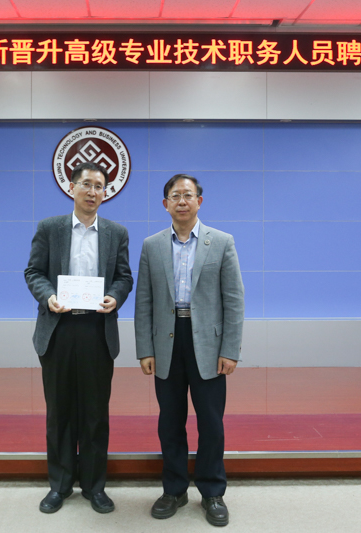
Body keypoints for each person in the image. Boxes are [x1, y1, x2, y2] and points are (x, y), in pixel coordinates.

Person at [134, 174, 244, 527]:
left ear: (199, 201)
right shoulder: (152, 245)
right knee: (170, 421)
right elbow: (144, 301)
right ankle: (174, 489)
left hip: (208, 344)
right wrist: (144, 348)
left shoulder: (221, 242)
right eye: (175, 195)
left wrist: (230, 349)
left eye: (188, 195)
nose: (181, 201)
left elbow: (234, 300)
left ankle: (212, 492)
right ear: (165, 204)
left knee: (211, 421)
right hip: (166, 341)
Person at [25, 161, 133, 515]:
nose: (92, 192)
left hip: (97, 331)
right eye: (86, 184)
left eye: (99, 186)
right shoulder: (50, 228)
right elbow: (34, 271)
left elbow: (124, 277)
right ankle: (59, 485)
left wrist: (115, 296)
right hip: (58, 329)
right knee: (59, 411)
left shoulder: (116, 232)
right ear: (72, 187)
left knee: (95, 413)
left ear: (105, 193)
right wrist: (48, 296)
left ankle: (94, 486)